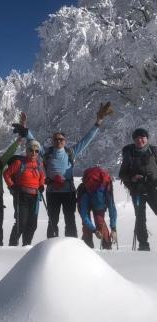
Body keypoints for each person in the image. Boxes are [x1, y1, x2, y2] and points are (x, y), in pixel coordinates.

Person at [26, 102, 113, 238]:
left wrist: (98, 122)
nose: (59, 141)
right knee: (52, 220)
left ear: (65, 141)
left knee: (70, 220)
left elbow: (86, 140)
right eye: (56, 139)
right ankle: (51, 247)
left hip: (68, 192)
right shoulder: (46, 153)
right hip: (52, 193)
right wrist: (26, 129)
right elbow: (34, 142)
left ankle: (71, 245)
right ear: (53, 141)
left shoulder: (71, 152)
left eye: (61, 139)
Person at [119, 128, 157, 251]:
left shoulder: (154, 151)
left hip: (153, 189)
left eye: (142, 137)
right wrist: (133, 178)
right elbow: (122, 174)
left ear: (147, 138)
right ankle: (143, 244)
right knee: (140, 218)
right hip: (137, 191)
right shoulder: (129, 153)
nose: (139, 140)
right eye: (136, 138)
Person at [3, 140, 45, 246]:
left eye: (36, 151)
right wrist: (12, 186)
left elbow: (42, 176)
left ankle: (26, 245)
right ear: (27, 151)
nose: (34, 153)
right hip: (21, 196)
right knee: (21, 223)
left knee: (32, 224)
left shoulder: (39, 164)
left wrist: (41, 185)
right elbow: (6, 174)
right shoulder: (19, 163)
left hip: (35, 197)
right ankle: (12, 245)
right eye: (31, 150)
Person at [77, 167, 117, 249]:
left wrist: (113, 229)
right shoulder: (84, 194)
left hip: (94, 196)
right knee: (98, 221)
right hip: (85, 197)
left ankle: (88, 247)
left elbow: (112, 209)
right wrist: (94, 230)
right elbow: (85, 216)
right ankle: (106, 246)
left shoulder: (106, 188)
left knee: (96, 222)